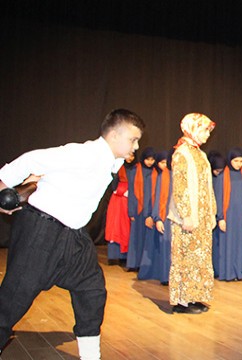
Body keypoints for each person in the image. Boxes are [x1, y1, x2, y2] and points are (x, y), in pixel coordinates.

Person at [0, 109, 144, 359]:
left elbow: (119, 161)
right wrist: (3, 184)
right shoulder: (83, 153)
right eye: (133, 139)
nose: (137, 145)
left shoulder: (112, 159)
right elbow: (32, 158)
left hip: (75, 236)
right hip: (41, 232)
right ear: (113, 135)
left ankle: (90, 356)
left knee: (92, 290)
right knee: (14, 298)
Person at [168, 113, 217, 314]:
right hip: (187, 218)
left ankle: (194, 297)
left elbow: (208, 186)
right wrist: (186, 214)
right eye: (204, 130)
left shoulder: (200, 154)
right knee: (185, 257)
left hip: (203, 217)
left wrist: (212, 212)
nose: (207, 134)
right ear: (192, 128)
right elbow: (180, 187)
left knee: (200, 258)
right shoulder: (181, 153)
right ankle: (181, 301)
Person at [213, 148, 242, 282]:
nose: (239, 164)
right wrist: (221, 218)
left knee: (241, 243)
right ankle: (229, 272)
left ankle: (241, 271)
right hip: (228, 215)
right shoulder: (222, 176)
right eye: (236, 161)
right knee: (228, 244)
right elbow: (218, 198)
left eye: (241, 161)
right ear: (230, 160)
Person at [137, 150, 172, 284]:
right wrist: (152, 215)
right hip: (158, 214)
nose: (164, 165)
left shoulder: (173, 176)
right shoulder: (157, 177)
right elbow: (152, 198)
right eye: (162, 162)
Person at [125, 147, 157, 271]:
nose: (150, 162)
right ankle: (134, 264)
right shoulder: (135, 170)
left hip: (150, 210)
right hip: (138, 209)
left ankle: (145, 265)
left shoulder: (156, 172)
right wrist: (131, 211)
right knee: (136, 238)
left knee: (147, 239)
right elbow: (132, 192)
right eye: (148, 159)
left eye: (152, 159)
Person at [105, 152, 136, 265]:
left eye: (132, 156)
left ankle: (125, 256)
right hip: (118, 200)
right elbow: (113, 182)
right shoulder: (119, 167)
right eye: (128, 155)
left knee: (127, 228)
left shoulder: (137, 168)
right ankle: (114, 256)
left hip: (131, 200)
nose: (130, 158)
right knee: (116, 226)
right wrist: (120, 190)